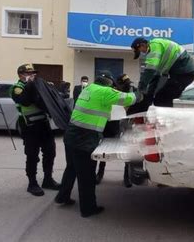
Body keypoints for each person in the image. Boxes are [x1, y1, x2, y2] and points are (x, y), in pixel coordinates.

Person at [55, 72, 141, 217]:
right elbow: (130, 99)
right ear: (109, 83)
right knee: (87, 175)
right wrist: (140, 93)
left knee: (71, 168)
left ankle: (62, 197)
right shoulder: (106, 92)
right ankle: (88, 209)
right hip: (85, 137)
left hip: (71, 134)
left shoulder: (88, 88)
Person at [10, 64, 61, 196]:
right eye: (28, 73)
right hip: (29, 125)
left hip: (43, 124)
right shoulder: (17, 88)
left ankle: (48, 179)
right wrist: (31, 86)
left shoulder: (38, 86)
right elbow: (25, 101)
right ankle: (32, 183)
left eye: (33, 73)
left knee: (50, 152)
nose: (32, 75)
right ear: (20, 75)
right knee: (32, 155)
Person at [130, 37, 194, 112]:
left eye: (140, 51)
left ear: (142, 45)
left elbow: (149, 71)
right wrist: (148, 97)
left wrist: (140, 89)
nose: (142, 53)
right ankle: (167, 119)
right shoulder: (158, 57)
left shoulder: (154, 47)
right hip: (182, 72)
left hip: (184, 71)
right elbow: (154, 78)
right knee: (162, 97)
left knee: (162, 98)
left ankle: (167, 120)